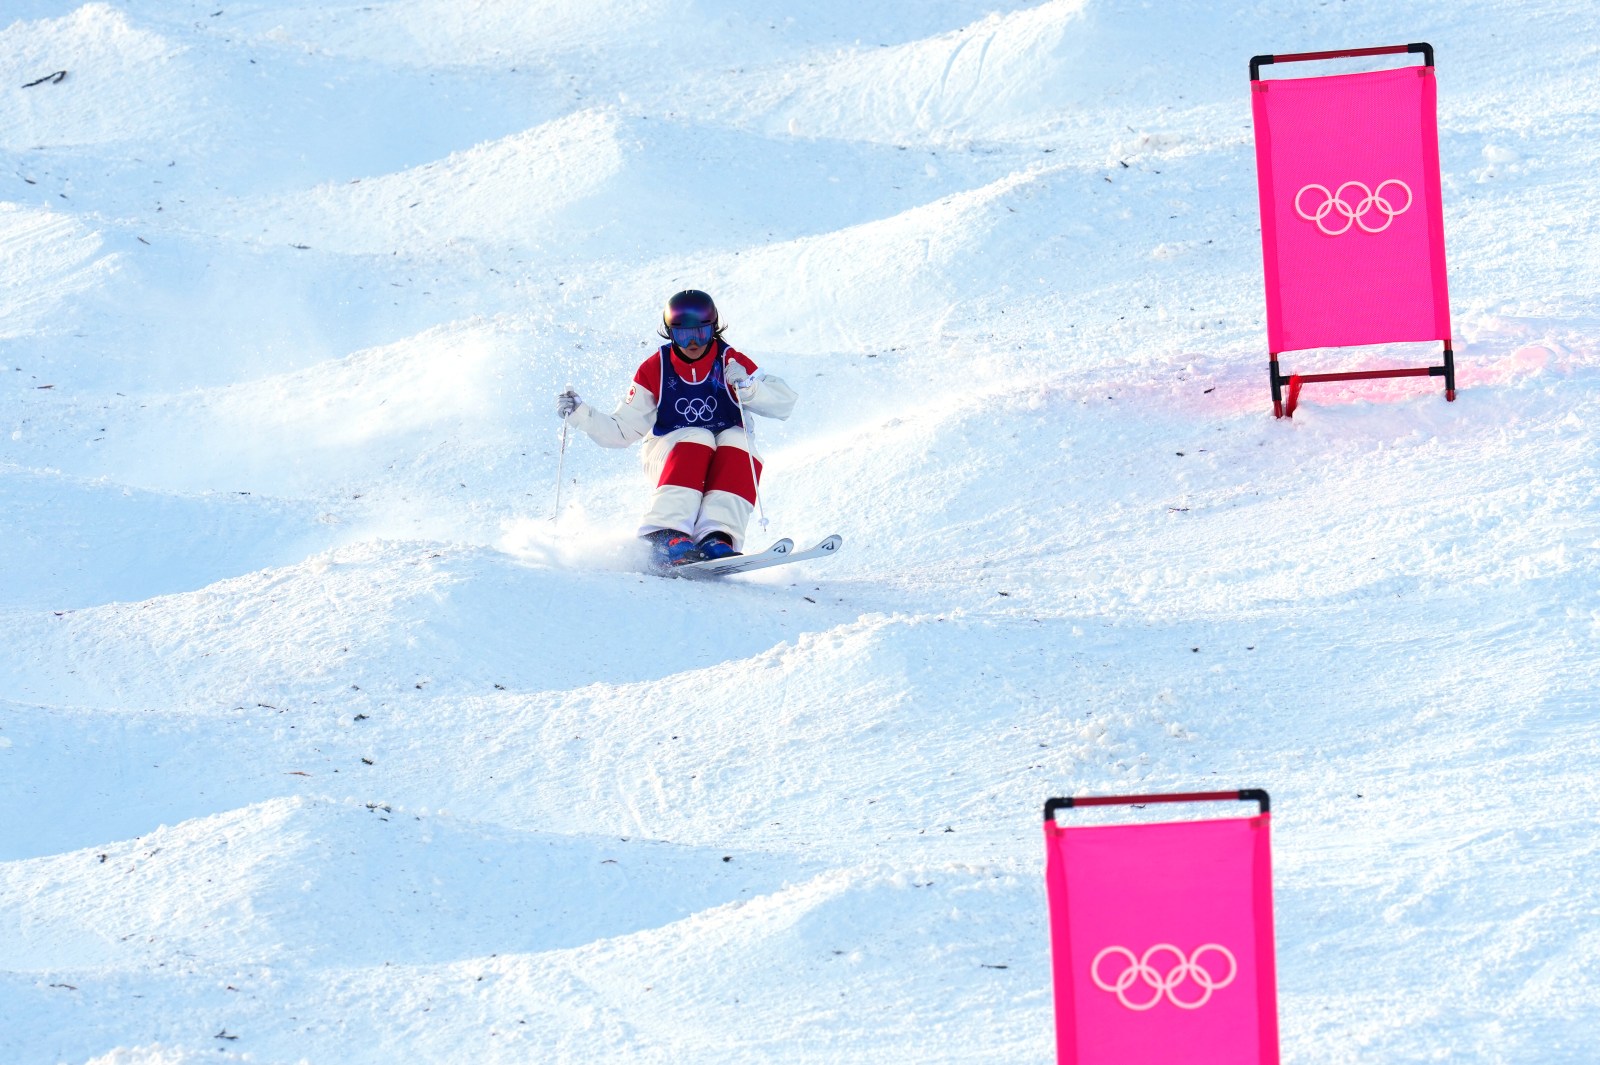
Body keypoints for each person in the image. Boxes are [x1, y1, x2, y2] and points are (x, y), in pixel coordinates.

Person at [556, 290, 797, 567]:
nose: (693, 343)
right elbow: (622, 430)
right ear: (670, 334)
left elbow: (784, 404)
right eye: (683, 336)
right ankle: (664, 532)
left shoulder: (732, 362)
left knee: (737, 440)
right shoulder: (655, 369)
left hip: (722, 456)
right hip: (668, 454)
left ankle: (717, 536)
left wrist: (749, 387)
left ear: (713, 330)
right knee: (699, 435)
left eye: (701, 334)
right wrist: (581, 414)